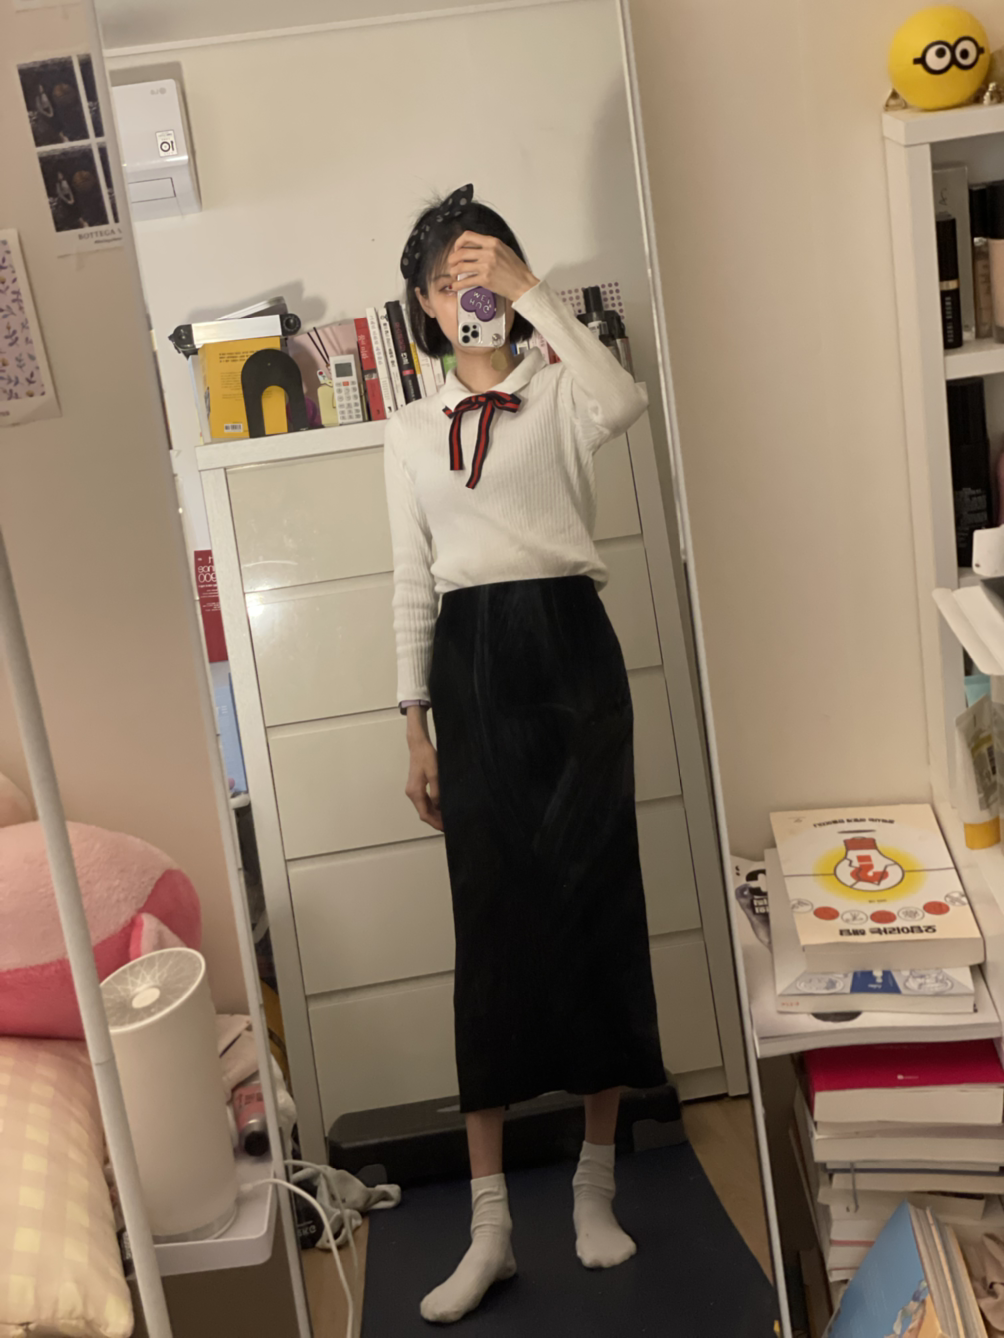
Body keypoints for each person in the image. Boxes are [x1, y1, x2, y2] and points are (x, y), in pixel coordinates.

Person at [384, 184, 666, 1325]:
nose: (470, 292)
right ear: (422, 305)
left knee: (597, 907)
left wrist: (530, 289)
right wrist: (412, 722)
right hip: (471, 669)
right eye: (448, 279)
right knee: (491, 931)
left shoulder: (560, 390)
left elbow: (625, 398)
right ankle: (490, 1227)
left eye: (483, 267)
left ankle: (595, 1189)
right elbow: (409, 578)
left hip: (573, 657)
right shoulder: (408, 431)